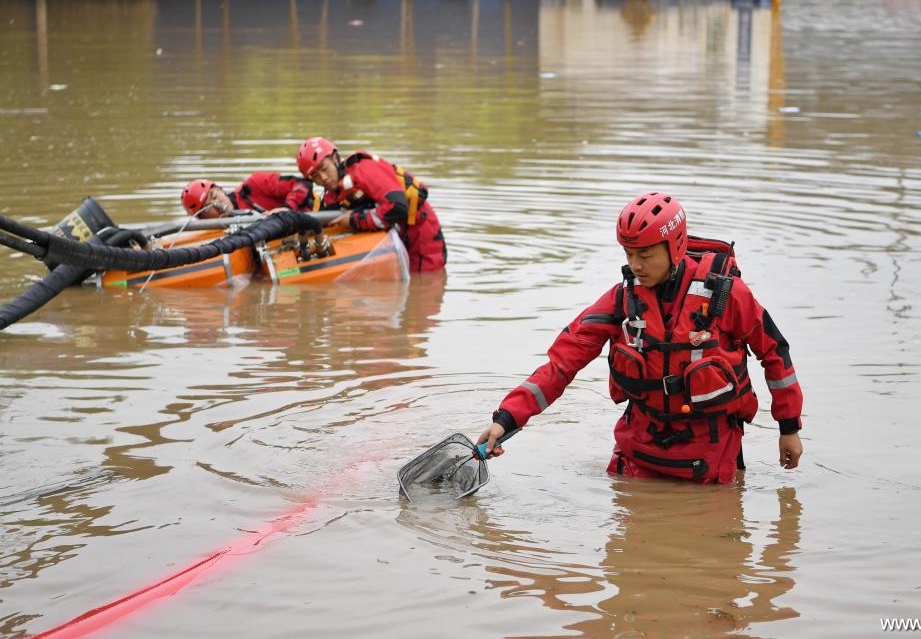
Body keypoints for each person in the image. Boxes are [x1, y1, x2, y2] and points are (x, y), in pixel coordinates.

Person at [477, 191, 803, 483]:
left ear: (675, 246)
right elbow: (562, 364)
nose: (635, 265)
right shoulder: (622, 299)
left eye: (645, 255)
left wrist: (788, 429)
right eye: (628, 254)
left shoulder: (726, 296)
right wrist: (506, 419)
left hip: (710, 451)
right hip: (637, 448)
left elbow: (775, 353)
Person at [295, 137, 447, 273]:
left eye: (324, 169)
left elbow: (398, 208)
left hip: (421, 233)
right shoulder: (333, 194)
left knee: (424, 286)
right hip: (396, 238)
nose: (323, 178)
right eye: (315, 176)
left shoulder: (364, 170)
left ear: (335, 159)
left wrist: (354, 219)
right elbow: (325, 223)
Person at [180, 173, 317, 219]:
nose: (217, 203)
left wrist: (287, 208)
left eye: (214, 195)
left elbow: (302, 184)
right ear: (202, 218)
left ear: (219, 188)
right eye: (208, 207)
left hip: (310, 218)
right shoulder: (214, 233)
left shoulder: (254, 184)